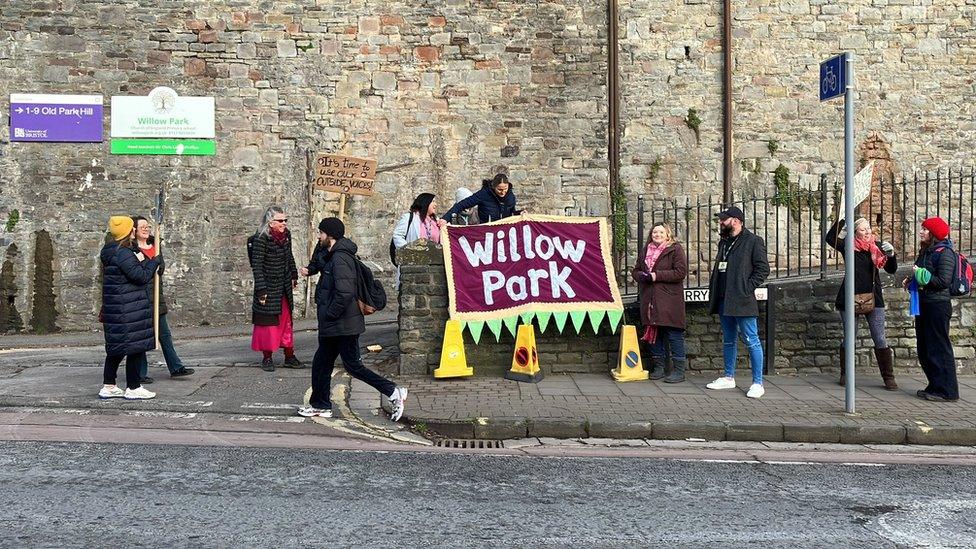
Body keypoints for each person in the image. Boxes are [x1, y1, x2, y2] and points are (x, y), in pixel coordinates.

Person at [297, 217, 408, 421]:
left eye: (321, 233)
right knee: (322, 363)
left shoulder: (340, 259)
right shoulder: (333, 254)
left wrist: (329, 313)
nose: (319, 236)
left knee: (353, 366)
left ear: (330, 236)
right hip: (338, 323)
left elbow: (345, 292)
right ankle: (321, 405)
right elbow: (320, 266)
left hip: (342, 323)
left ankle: (393, 391)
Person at [705, 206, 770, 398]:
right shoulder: (724, 242)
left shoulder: (753, 241)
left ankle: (758, 382)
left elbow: (762, 269)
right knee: (728, 340)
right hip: (724, 298)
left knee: (752, 340)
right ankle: (728, 377)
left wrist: (746, 288)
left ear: (736, 220)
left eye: (723, 219)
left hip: (742, 300)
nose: (720, 222)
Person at [825, 218, 898, 389]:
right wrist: (842, 220)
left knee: (879, 337)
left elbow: (891, 269)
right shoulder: (848, 246)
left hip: (874, 297)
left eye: (869, 228)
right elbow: (830, 238)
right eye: (863, 229)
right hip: (850, 297)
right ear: (855, 231)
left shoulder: (877, 247)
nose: (867, 232)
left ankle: (889, 377)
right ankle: (845, 373)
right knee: (850, 337)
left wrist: (891, 255)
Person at [98, 216, 159, 400]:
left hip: (118, 307)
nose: (135, 230)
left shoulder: (111, 251)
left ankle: (109, 386)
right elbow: (140, 276)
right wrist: (153, 261)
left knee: (116, 349)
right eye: (132, 228)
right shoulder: (123, 254)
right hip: (128, 307)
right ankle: (133, 387)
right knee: (135, 347)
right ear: (128, 232)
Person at [130, 216, 194, 383]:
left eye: (147, 226)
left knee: (165, 334)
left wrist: (158, 266)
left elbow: (160, 268)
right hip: (139, 298)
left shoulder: (156, 245)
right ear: (134, 230)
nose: (146, 229)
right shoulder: (132, 249)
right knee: (141, 337)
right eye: (142, 226)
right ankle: (140, 374)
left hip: (157, 296)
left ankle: (176, 367)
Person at [904, 217, 959, 402]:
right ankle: (935, 385)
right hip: (925, 303)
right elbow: (920, 273)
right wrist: (912, 281)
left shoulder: (945, 253)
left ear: (934, 234)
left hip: (937, 305)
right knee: (925, 348)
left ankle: (947, 391)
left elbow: (943, 281)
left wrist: (923, 279)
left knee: (939, 348)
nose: (921, 232)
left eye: (925, 229)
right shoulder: (927, 251)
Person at [632, 223, 688, 383]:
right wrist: (640, 276)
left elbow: (680, 272)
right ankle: (659, 368)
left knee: (673, 334)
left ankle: (679, 371)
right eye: (655, 232)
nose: (657, 234)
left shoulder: (675, 249)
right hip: (650, 299)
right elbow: (636, 270)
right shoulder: (645, 251)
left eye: (661, 232)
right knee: (653, 334)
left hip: (669, 299)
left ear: (667, 234)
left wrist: (656, 276)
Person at [250, 206, 303, 372]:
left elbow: (289, 256)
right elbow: (257, 266)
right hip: (268, 287)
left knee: (286, 322)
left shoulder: (286, 236)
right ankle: (267, 357)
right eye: (280, 220)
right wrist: (261, 289)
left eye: (285, 220)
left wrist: (293, 274)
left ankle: (289, 355)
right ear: (270, 222)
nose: (284, 223)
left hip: (283, 286)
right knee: (268, 325)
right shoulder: (261, 238)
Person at [440, 172, 518, 225]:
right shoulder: (484, 194)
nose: (503, 192)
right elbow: (461, 205)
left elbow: (512, 212)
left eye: (505, 188)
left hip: (505, 231)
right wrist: (445, 218)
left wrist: (520, 213)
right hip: (486, 232)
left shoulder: (510, 195)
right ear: (494, 187)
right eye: (499, 189)